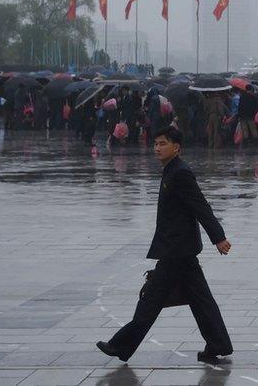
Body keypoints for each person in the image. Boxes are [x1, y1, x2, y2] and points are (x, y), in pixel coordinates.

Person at [96, 126, 233, 364]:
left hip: (176, 250)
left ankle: (120, 345)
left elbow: (200, 205)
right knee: (201, 301)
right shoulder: (170, 170)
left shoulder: (180, 173)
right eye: (156, 144)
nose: (157, 148)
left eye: (163, 144)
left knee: (151, 301)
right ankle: (218, 344)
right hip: (179, 250)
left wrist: (218, 237)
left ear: (176, 147)